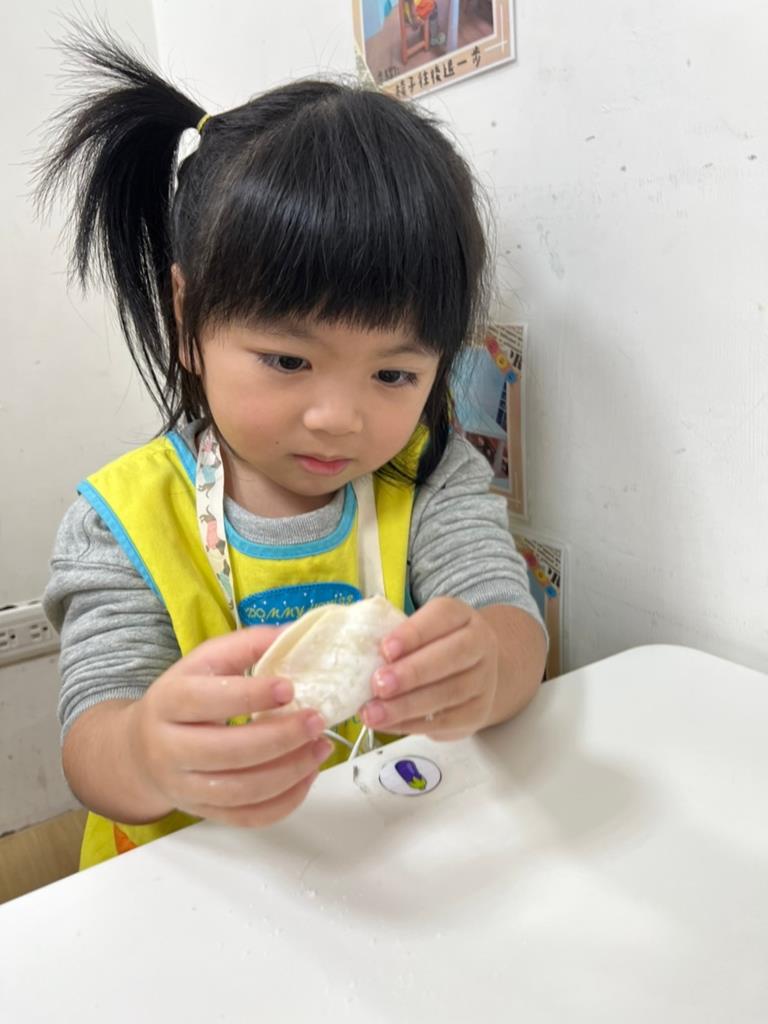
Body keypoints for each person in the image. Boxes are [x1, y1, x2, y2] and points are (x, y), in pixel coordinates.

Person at [37, 22, 548, 869]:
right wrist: (147, 753)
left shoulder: (430, 477)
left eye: (393, 374)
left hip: (386, 858)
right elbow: (93, 742)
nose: (339, 418)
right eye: (287, 360)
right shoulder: (122, 521)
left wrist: (486, 667)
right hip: (191, 879)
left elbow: (510, 626)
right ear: (187, 320)